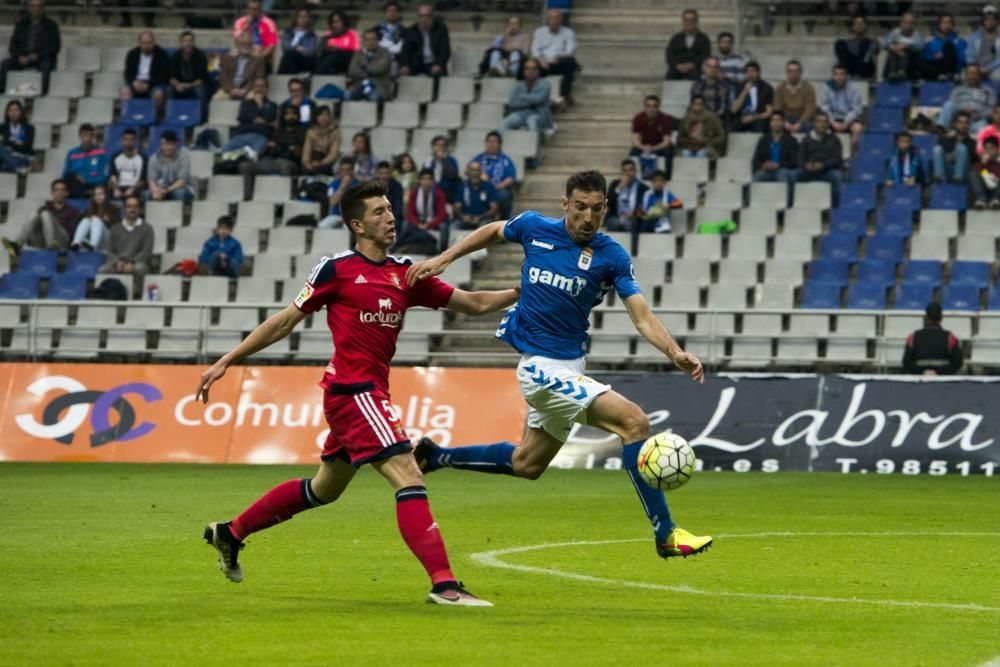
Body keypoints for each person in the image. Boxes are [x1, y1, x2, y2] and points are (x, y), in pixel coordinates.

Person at [199, 180, 519, 606]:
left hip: (366, 393)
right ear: (357, 225)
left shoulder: (407, 273)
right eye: (379, 213)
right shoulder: (336, 270)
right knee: (409, 474)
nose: (390, 218)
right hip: (353, 391)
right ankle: (445, 585)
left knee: (324, 489)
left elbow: (474, 303)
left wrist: (524, 292)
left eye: (390, 209)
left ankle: (231, 532)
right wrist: (228, 360)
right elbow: (284, 321)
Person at [406, 170, 712, 562]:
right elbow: (494, 229)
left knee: (528, 463)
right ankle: (666, 533)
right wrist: (444, 258)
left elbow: (641, 316)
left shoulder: (612, 256)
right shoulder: (535, 228)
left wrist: (675, 352)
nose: (588, 217)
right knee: (633, 423)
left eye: (597, 210)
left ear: (605, 209)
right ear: (565, 204)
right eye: (580, 207)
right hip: (538, 368)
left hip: (570, 367)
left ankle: (437, 456)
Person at [239, 105, 305, 199]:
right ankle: (248, 198)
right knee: (245, 166)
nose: (291, 116)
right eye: (287, 114)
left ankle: (286, 199)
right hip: (272, 161)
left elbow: (297, 153)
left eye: (293, 114)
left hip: (290, 163)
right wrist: (286, 147)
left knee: (284, 165)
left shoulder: (302, 131)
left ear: (298, 116)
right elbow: (270, 148)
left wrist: (279, 147)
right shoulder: (278, 131)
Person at [1, 179, 79, 255]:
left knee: (45, 214)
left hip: (61, 242)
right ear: (52, 193)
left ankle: (52, 244)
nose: (59, 193)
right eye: (56, 190)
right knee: (34, 215)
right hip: (43, 241)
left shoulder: (73, 211)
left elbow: (70, 234)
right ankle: (17, 246)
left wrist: (53, 224)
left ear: (67, 193)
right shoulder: (44, 208)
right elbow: (34, 226)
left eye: (62, 190)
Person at [0, 0, 60, 96]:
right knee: (5, 64)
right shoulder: (21, 24)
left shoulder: (51, 26)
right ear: (28, 7)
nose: (36, 9)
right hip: (23, 57)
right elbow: (12, 46)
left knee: (46, 66)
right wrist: (19, 56)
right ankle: (2, 94)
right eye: (33, 6)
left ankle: (42, 95)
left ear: (43, 8)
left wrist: (38, 55)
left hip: (41, 58)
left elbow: (55, 47)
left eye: (39, 6)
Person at [499, 58, 554, 142]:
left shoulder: (545, 84)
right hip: (521, 114)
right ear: (523, 71)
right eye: (527, 68)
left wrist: (523, 97)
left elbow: (540, 99)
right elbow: (512, 103)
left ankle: (534, 152)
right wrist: (531, 101)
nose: (530, 71)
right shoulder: (518, 85)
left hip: (539, 115)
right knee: (505, 122)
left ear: (538, 71)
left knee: (531, 120)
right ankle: (498, 150)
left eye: (534, 68)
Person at [530, 8, 578, 104]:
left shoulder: (568, 32)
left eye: (556, 18)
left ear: (560, 20)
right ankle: (533, 93)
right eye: (551, 18)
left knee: (570, 61)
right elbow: (534, 49)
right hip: (544, 63)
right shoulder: (539, 32)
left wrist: (561, 56)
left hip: (559, 62)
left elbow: (570, 49)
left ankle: (565, 94)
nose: (554, 21)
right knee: (530, 64)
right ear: (548, 19)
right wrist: (540, 59)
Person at [98, 195, 153, 277]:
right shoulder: (115, 228)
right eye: (129, 206)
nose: (132, 209)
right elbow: (110, 251)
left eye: (135, 206)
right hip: (118, 263)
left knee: (139, 268)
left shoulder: (147, 228)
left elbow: (146, 252)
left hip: (137, 263)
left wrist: (132, 262)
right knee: (103, 269)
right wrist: (117, 262)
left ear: (140, 209)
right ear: (124, 209)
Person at [221, 78, 276, 158]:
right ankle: (243, 155)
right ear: (253, 88)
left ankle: (242, 156)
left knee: (254, 155)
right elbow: (243, 117)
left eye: (262, 86)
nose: (259, 89)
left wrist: (260, 105)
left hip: (260, 136)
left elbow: (269, 117)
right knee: (224, 152)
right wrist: (262, 120)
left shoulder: (272, 105)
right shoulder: (245, 103)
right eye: (257, 86)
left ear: (266, 89)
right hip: (242, 134)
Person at [797, 111, 844, 206]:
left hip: (826, 171)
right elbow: (800, 158)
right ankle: (791, 207)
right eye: (819, 121)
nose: (822, 124)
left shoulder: (834, 139)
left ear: (828, 124)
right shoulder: (806, 140)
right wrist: (806, 165)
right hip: (808, 171)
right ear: (814, 123)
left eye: (825, 122)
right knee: (792, 175)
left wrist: (823, 165)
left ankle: (835, 209)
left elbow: (836, 159)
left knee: (837, 176)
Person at [902, 303, 963, 374]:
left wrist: (921, 371)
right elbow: (958, 363)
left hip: (919, 381)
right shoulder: (950, 338)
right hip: (944, 381)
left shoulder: (913, 337)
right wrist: (939, 372)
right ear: (941, 318)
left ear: (926, 317)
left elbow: (906, 363)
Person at [937, 64, 996, 133]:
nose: (972, 76)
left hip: (976, 120)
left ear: (979, 75)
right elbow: (952, 105)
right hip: (959, 118)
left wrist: (980, 115)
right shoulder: (958, 90)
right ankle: (941, 130)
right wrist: (962, 110)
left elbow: (992, 110)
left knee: (983, 129)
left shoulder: (988, 91)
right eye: (970, 74)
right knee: (948, 104)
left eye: (975, 74)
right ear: (966, 75)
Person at [819, 64, 864, 153]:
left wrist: (846, 122)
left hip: (848, 119)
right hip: (832, 118)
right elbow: (824, 107)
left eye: (842, 74)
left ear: (846, 76)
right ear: (833, 76)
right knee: (819, 126)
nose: (839, 77)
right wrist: (832, 122)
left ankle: (852, 158)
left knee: (858, 128)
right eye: (836, 74)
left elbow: (857, 109)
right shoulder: (827, 87)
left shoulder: (853, 88)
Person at [472, 131, 517, 218]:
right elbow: (468, 170)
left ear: (500, 144)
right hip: (481, 188)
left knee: (504, 194)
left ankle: (503, 221)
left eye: (494, 141)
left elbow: (511, 178)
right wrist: (480, 175)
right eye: (489, 141)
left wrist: (498, 186)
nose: (491, 144)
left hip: (497, 189)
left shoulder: (505, 160)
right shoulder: (479, 158)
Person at [752, 111, 798, 195]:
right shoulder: (763, 140)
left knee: (782, 175)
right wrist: (763, 165)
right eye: (773, 120)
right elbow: (755, 161)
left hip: (782, 169)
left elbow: (794, 162)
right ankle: (751, 204)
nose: (776, 123)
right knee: (757, 176)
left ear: (783, 123)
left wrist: (778, 165)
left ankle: (785, 204)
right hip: (766, 171)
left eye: (779, 120)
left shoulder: (791, 141)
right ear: (770, 123)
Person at [168, 31, 209, 125]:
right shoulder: (175, 56)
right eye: (185, 41)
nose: (188, 43)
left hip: (195, 85)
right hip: (179, 85)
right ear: (181, 43)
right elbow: (170, 77)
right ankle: (170, 119)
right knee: (169, 90)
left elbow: (202, 79)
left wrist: (188, 85)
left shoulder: (200, 56)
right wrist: (177, 84)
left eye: (190, 41)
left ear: (194, 42)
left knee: (201, 91)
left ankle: (201, 121)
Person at [120, 31, 170, 108]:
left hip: (153, 83)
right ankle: (128, 116)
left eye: (149, 43)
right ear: (139, 43)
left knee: (158, 93)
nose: (147, 46)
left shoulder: (161, 54)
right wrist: (134, 82)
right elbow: (127, 74)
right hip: (136, 82)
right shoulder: (132, 54)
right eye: (144, 43)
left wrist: (149, 84)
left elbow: (163, 75)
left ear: (154, 42)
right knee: (124, 91)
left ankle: (153, 118)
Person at [400, 3, 451, 78]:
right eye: (421, 16)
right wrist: (404, 65)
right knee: (405, 74)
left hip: (434, 63)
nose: (424, 19)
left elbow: (445, 50)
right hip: (417, 64)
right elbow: (405, 50)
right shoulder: (411, 30)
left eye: (427, 16)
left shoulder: (441, 29)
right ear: (418, 17)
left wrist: (439, 64)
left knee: (439, 74)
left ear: (432, 17)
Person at [630, 95, 674, 179]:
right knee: (633, 153)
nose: (651, 109)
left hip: (660, 147)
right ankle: (632, 177)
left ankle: (667, 177)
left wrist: (653, 148)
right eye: (648, 106)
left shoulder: (665, 119)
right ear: (645, 107)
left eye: (654, 106)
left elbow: (666, 141)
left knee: (669, 151)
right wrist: (642, 147)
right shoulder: (638, 118)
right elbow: (635, 139)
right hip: (644, 146)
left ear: (658, 107)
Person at [215, 32, 267, 101]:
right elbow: (223, 77)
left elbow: (258, 78)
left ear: (252, 45)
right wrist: (231, 89)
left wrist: (245, 90)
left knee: (252, 98)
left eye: (248, 44)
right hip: (229, 89)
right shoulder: (227, 58)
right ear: (237, 44)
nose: (246, 46)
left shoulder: (258, 60)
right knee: (217, 98)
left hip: (249, 90)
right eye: (243, 43)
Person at [63, 124, 109, 200]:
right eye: (85, 135)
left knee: (103, 184)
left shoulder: (101, 153)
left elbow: (104, 176)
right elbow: (66, 173)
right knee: (68, 177)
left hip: (94, 183)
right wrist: (77, 177)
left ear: (93, 136)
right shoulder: (72, 153)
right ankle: (82, 200)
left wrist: (86, 180)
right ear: (80, 136)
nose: (88, 138)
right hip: (76, 184)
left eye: (91, 135)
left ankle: (82, 201)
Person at [146, 130, 193, 203]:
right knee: (147, 194)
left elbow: (182, 181)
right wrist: (155, 190)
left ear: (176, 144)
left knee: (179, 194)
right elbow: (151, 180)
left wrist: (167, 190)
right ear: (161, 144)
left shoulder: (183, 157)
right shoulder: (153, 159)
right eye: (166, 144)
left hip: (179, 188)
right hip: (160, 188)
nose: (169, 147)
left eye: (172, 144)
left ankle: (176, 214)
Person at [346, 29, 392, 102]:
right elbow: (352, 71)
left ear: (377, 40)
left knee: (373, 97)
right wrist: (368, 72)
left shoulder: (385, 52)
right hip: (360, 86)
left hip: (378, 87)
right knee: (347, 95)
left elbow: (380, 68)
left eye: (373, 39)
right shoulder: (358, 54)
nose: (371, 42)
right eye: (367, 40)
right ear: (363, 41)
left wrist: (364, 67)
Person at [71, 185, 119, 252]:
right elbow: (79, 224)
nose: (97, 197)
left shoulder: (113, 209)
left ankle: (93, 245)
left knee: (96, 219)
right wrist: (90, 219)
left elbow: (118, 229)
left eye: (100, 194)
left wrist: (106, 221)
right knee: (86, 220)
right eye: (95, 195)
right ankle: (76, 243)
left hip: (107, 242)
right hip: (88, 240)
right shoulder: (88, 210)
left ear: (106, 195)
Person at [665, 9, 710, 80]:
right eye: (686, 20)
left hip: (696, 68)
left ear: (696, 21)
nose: (689, 23)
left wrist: (693, 65)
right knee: (671, 74)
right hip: (678, 68)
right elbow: (670, 55)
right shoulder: (676, 38)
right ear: (683, 21)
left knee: (698, 75)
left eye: (692, 20)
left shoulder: (703, 38)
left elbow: (705, 55)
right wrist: (677, 66)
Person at [773, 60, 817, 133]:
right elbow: (777, 108)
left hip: (802, 118)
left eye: (796, 71)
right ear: (786, 72)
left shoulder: (809, 88)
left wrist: (799, 123)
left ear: (800, 72)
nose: (793, 74)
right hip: (785, 118)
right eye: (790, 71)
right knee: (775, 125)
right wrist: (784, 122)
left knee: (809, 126)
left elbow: (810, 109)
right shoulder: (780, 88)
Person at [919, 14, 966, 81]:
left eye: (949, 22)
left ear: (953, 25)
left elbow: (962, 60)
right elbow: (927, 62)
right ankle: (940, 75)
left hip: (953, 70)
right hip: (937, 72)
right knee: (918, 59)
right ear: (939, 25)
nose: (946, 25)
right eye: (943, 22)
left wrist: (944, 55)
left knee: (948, 46)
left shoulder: (961, 42)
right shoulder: (931, 43)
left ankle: (948, 75)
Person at [729, 60, 772, 133]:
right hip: (742, 117)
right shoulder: (740, 86)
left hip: (758, 117)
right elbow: (734, 110)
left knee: (762, 126)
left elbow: (769, 112)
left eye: (753, 71)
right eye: (748, 72)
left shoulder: (766, 88)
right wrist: (745, 91)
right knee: (733, 127)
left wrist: (754, 117)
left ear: (758, 73)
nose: (750, 74)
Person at [453, 161, 499, 229]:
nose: (475, 173)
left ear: (481, 172)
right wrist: (462, 216)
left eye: (477, 170)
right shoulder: (462, 186)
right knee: (453, 227)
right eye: (472, 170)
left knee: (483, 227)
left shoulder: (489, 186)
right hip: (465, 219)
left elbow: (494, 208)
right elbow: (456, 207)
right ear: (468, 172)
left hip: (484, 219)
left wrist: (480, 217)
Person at [606, 159, 648, 232]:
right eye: (625, 170)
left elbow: (645, 206)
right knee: (614, 223)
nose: (628, 173)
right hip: (616, 217)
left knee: (630, 224)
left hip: (633, 218)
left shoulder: (643, 188)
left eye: (630, 170)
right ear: (622, 172)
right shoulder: (615, 184)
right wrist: (619, 188)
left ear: (635, 171)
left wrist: (634, 213)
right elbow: (608, 203)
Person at [934, 111, 975, 184]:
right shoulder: (945, 140)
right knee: (937, 149)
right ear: (955, 124)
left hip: (964, 174)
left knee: (961, 148)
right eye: (960, 122)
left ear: (969, 125)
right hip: (947, 172)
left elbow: (972, 163)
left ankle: (957, 179)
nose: (963, 125)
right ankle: (939, 178)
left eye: (966, 122)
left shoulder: (973, 143)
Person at [232, 0, 278, 65]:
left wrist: (259, 57)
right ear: (247, 10)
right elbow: (237, 42)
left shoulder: (269, 23)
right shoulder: (239, 22)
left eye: (255, 9)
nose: (252, 12)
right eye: (250, 9)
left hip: (262, 57)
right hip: (243, 55)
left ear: (260, 10)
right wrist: (246, 26)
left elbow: (271, 46)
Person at [834, 14, 879, 80]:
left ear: (865, 26)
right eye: (856, 24)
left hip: (865, 68)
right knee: (839, 43)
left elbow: (873, 52)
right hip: (851, 68)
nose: (859, 26)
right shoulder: (848, 42)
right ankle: (848, 74)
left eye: (861, 23)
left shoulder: (872, 41)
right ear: (853, 27)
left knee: (865, 43)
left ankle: (859, 75)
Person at [315, 10, 358, 76]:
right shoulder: (328, 35)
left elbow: (354, 51)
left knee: (334, 56)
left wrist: (338, 49)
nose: (334, 25)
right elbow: (321, 49)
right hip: (331, 62)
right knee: (331, 69)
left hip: (347, 60)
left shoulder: (351, 34)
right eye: (333, 22)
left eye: (337, 22)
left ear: (344, 22)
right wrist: (327, 49)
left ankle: (314, 75)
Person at [882, 12, 923, 82]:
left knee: (907, 49)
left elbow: (920, 46)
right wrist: (895, 48)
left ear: (914, 24)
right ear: (901, 23)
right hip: (894, 62)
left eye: (911, 23)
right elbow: (885, 43)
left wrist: (905, 46)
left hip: (911, 66)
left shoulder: (917, 35)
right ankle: (893, 73)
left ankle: (902, 72)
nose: (908, 25)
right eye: (906, 22)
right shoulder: (894, 32)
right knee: (893, 46)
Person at [301, 106, 340, 176]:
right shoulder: (311, 131)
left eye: (326, 115)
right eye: (320, 115)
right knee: (305, 169)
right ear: (316, 117)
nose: (323, 118)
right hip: (313, 160)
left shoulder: (335, 132)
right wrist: (306, 162)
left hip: (327, 162)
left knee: (319, 170)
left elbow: (334, 153)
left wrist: (321, 163)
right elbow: (306, 150)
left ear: (329, 117)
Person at [967, 6, 1000, 88]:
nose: (990, 22)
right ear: (983, 21)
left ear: (997, 21)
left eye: (993, 19)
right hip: (977, 67)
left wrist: (989, 68)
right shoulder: (973, 37)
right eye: (987, 19)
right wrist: (977, 68)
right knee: (964, 77)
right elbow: (969, 55)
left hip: (995, 69)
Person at [317, 157, 355, 229]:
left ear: (352, 170)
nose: (345, 172)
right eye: (343, 170)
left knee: (347, 227)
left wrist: (344, 219)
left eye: (348, 170)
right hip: (335, 215)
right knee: (322, 226)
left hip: (352, 217)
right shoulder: (333, 184)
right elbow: (332, 202)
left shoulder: (359, 185)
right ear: (340, 171)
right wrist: (342, 186)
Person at [423, 135, 462, 203]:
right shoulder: (428, 161)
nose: (440, 147)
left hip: (447, 191)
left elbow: (452, 175)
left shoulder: (451, 159)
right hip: (431, 190)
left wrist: (443, 160)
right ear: (433, 147)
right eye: (437, 145)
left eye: (442, 145)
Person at [406, 167, 448, 231]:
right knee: (404, 224)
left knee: (444, 227)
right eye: (423, 179)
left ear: (433, 181)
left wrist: (429, 225)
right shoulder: (414, 192)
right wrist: (417, 224)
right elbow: (410, 213)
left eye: (429, 179)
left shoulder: (439, 193)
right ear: (419, 180)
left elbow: (441, 214)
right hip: (418, 220)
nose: (426, 182)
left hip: (433, 220)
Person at [278, 8, 318, 75]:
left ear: (308, 19)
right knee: (289, 56)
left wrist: (294, 48)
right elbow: (285, 46)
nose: (302, 18)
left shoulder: (311, 35)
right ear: (296, 18)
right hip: (291, 59)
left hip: (305, 60)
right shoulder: (288, 32)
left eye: (305, 16)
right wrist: (297, 48)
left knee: (290, 56)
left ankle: (280, 76)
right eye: (300, 16)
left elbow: (310, 52)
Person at [371, 1, 406, 76]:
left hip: (396, 63)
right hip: (378, 61)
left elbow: (403, 50)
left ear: (399, 13)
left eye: (395, 11)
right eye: (389, 10)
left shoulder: (405, 31)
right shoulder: (375, 30)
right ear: (385, 13)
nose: (392, 13)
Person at [690, 56, 731, 121]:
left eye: (715, 67)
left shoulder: (724, 87)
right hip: (699, 119)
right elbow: (695, 106)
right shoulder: (697, 85)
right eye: (709, 66)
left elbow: (723, 109)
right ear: (704, 68)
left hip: (718, 121)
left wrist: (711, 118)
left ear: (718, 69)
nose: (712, 69)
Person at [0, 100, 34, 174]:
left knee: (3, 167)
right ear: (7, 113)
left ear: (21, 112)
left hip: (22, 158)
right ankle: (17, 168)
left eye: (16, 110)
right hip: (5, 157)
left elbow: (26, 147)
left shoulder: (29, 128)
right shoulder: (2, 127)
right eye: (10, 110)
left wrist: (6, 141)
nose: (13, 113)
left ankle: (15, 166)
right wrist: (17, 142)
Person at [970, 136, 1000, 209]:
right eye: (986, 148)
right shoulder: (977, 164)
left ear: (997, 150)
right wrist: (983, 164)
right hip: (981, 191)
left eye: (991, 148)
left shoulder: (998, 165)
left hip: (996, 192)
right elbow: (974, 179)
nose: (988, 151)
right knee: (973, 174)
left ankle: (995, 200)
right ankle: (981, 200)